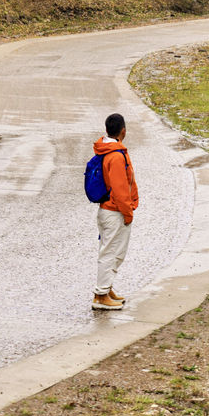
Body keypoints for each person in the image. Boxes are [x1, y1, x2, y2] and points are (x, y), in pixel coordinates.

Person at [92, 112, 138, 310]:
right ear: (123, 131)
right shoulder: (116, 155)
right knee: (111, 253)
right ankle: (101, 295)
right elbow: (120, 190)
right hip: (115, 212)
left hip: (107, 210)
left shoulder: (105, 150)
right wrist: (128, 213)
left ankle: (107, 288)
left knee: (112, 251)